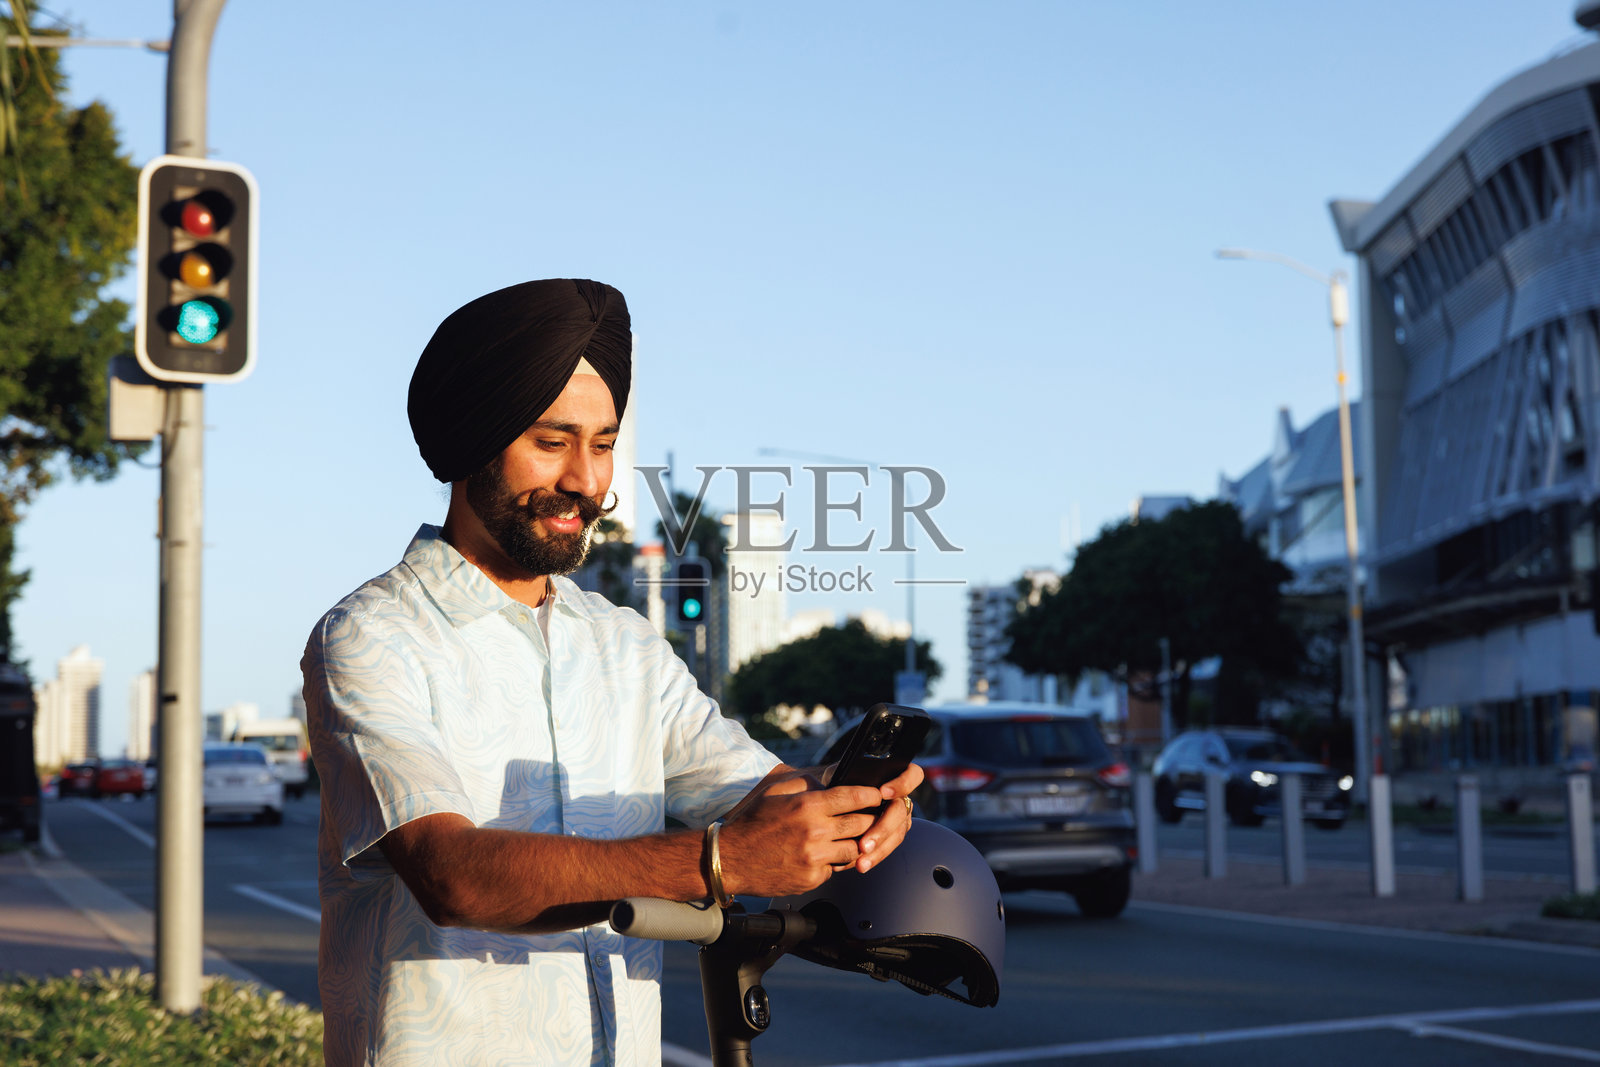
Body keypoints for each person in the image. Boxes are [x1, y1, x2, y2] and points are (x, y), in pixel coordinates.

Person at [301, 279, 921, 1067]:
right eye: (553, 442)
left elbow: (756, 791)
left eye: (603, 444)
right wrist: (718, 861)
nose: (587, 482)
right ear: (471, 444)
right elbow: (450, 875)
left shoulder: (623, 645)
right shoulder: (371, 636)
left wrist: (850, 805)